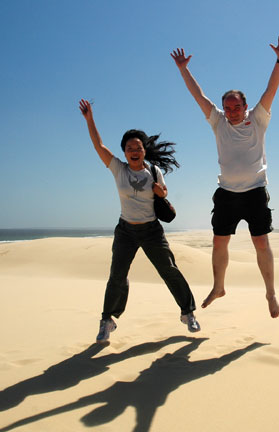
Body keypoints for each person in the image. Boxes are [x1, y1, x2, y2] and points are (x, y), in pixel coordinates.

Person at [171, 34, 279, 318]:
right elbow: (198, 96)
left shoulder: (258, 118)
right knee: (219, 241)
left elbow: (271, 89)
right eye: (227, 107)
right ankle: (219, 287)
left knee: (261, 241)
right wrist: (183, 69)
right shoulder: (218, 122)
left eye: (236, 106)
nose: (231, 111)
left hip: (254, 191)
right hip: (226, 192)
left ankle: (271, 293)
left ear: (245, 106)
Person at [79, 99, 201, 343]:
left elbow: (164, 194)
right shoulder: (118, 169)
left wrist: (161, 193)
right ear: (124, 152)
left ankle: (188, 313)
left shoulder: (154, 172)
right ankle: (107, 320)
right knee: (117, 275)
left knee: (169, 270)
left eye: (138, 147)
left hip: (152, 231)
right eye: (129, 148)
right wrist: (89, 119)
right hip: (126, 231)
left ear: (144, 150)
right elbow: (98, 145)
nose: (134, 151)